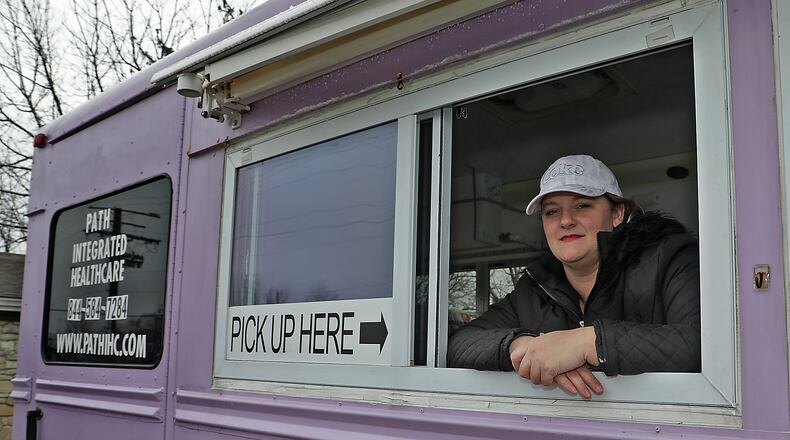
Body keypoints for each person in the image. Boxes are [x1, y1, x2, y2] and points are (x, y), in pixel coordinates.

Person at [446, 154, 700, 399]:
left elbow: (701, 345)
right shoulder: (533, 289)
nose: (566, 220)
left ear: (617, 214)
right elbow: (460, 343)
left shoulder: (668, 259)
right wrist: (523, 346)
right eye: (552, 212)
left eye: (582, 205)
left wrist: (587, 343)